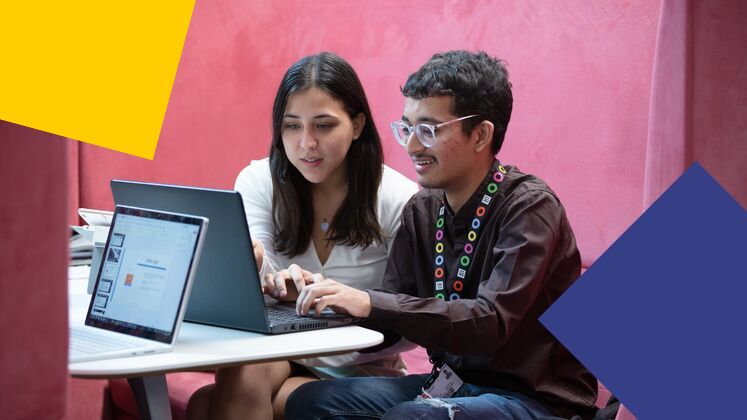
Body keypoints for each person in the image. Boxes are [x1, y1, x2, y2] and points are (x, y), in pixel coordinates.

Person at [284, 50, 598, 419]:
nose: (413, 146)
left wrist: (370, 301)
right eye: (407, 128)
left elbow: (490, 323)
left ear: (480, 134)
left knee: (411, 418)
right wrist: (316, 300)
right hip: (452, 383)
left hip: (534, 400)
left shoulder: (529, 208)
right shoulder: (424, 210)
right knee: (312, 401)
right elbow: (387, 320)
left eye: (429, 130)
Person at [186, 52, 418, 420]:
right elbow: (261, 278)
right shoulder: (259, 181)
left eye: (323, 126)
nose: (306, 143)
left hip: (358, 365)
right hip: (280, 350)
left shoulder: (398, 200)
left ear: (357, 125)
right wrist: (265, 277)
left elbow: (416, 320)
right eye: (292, 126)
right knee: (227, 383)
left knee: (205, 406)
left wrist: (344, 303)